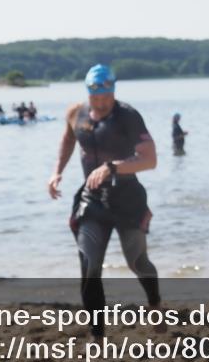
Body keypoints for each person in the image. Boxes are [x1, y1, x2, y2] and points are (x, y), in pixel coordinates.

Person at [48, 64, 160, 339]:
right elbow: (68, 138)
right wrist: (57, 171)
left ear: (114, 91)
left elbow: (150, 160)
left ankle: (155, 304)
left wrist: (112, 167)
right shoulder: (76, 112)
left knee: (137, 262)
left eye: (107, 98)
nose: (102, 103)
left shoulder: (128, 117)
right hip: (92, 201)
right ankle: (98, 335)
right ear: (88, 93)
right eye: (96, 98)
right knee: (89, 267)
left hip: (127, 199)